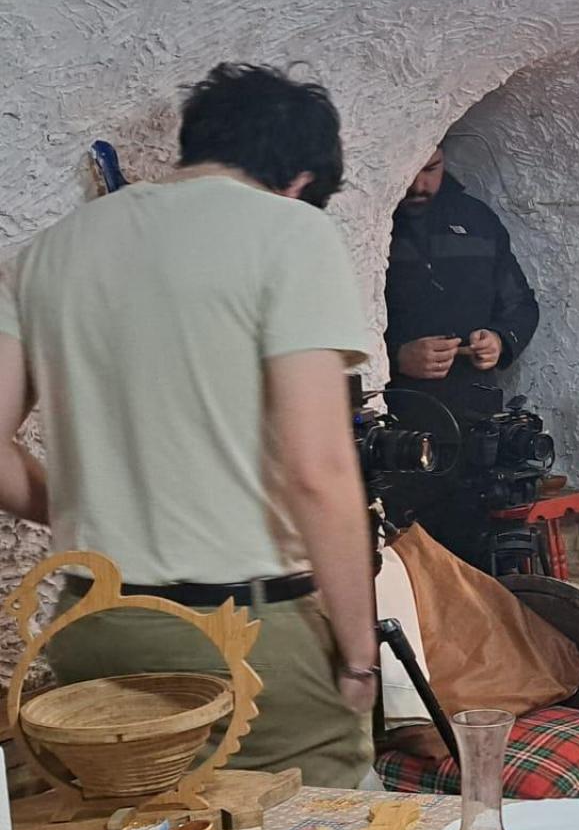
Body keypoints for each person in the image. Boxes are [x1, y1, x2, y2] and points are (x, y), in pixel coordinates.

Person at [0, 63, 379, 790]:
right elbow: (319, 470)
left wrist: (83, 505)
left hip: (90, 624)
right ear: (300, 180)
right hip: (240, 632)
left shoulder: (45, 254)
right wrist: (359, 653)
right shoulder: (290, 232)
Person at [382, 145, 541, 565]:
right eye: (412, 170)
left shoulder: (477, 221)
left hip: (472, 419)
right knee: (406, 556)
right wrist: (396, 357)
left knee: (475, 552)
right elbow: (349, 323)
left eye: (431, 169)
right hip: (399, 420)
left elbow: (521, 306)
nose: (419, 185)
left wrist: (500, 340)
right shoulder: (373, 219)